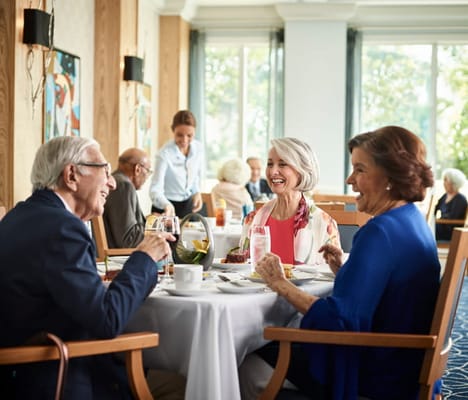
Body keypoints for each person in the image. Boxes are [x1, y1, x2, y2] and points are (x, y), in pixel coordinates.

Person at [240, 126, 441, 400]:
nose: (349, 179)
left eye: (359, 169)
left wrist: (279, 284)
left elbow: (337, 321)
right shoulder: (412, 221)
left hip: (372, 374)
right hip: (403, 366)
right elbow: (381, 297)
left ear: (389, 177)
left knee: (244, 356)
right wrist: (345, 272)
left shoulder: (379, 232)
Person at [0, 136, 181, 399]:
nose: (112, 182)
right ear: (71, 175)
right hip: (57, 378)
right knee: (186, 381)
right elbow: (107, 321)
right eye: (105, 171)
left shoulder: (19, 216)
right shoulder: (62, 228)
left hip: (19, 374)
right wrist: (144, 258)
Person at [240, 137, 340, 265]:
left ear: (301, 171)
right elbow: (241, 270)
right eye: (270, 164)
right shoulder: (252, 220)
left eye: (282, 164)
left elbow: (334, 277)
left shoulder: (324, 224)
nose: (272, 171)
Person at [149, 110, 203, 218]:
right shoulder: (164, 154)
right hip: (165, 207)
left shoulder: (198, 148)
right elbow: (155, 189)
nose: (184, 140)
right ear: (173, 130)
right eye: (179, 135)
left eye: (189, 135)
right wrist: (167, 205)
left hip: (187, 205)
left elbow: (195, 175)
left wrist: (197, 192)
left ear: (195, 132)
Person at [103, 147, 153, 248]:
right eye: (148, 171)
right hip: (119, 258)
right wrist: (158, 228)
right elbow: (128, 239)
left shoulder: (116, 181)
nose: (147, 176)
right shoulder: (123, 186)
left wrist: (151, 221)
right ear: (137, 169)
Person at [434, 167, 467, 241]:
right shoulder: (445, 196)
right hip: (441, 226)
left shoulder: (460, 199)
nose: (443, 183)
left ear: (453, 182)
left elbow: (452, 218)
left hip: (450, 231)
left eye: (446, 180)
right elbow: (435, 209)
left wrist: (438, 221)